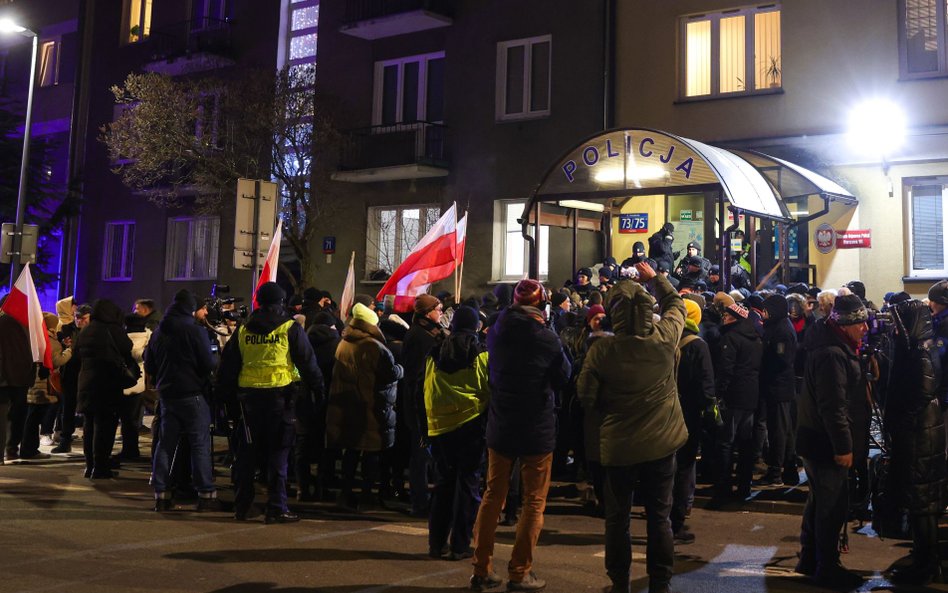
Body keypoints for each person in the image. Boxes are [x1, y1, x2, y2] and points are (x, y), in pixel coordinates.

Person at [578, 261, 687, 593]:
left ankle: (620, 582)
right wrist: (657, 280)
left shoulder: (602, 350)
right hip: (662, 444)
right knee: (659, 517)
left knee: (617, 518)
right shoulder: (665, 338)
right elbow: (677, 305)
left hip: (619, 446)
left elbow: (586, 397)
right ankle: (660, 583)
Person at [470, 279, 571, 592]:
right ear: (542, 305)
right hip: (536, 428)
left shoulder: (498, 330)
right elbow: (564, 375)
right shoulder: (546, 338)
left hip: (501, 424)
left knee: (492, 496)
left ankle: (481, 568)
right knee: (533, 502)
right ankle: (519, 571)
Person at [218, 282, 324, 523]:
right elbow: (308, 363)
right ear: (281, 302)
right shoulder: (290, 328)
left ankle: (243, 506)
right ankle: (277, 507)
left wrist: (225, 399)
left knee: (246, 454)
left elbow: (228, 366)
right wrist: (318, 390)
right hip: (280, 399)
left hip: (248, 402)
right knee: (278, 454)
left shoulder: (244, 329)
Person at [795, 294, 869, 590]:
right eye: (860, 323)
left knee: (818, 502)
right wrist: (844, 447)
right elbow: (834, 405)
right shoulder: (833, 354)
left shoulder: (833, 346)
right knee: (832, 507)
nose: (865, 328)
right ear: (846, 325)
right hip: (825, 444)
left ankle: (810, 559)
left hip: (814, 439)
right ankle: (826, 567)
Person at [883, 298, 946, 586]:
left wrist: (902, 422)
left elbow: (922, 391)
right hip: (924, 430)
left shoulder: (920, 351)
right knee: (923, 501)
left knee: (923, 501)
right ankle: (924, 557)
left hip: (922, 433)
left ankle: (926, 564)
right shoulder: (922, 346)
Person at [424, 306, 490, 561]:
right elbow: (488, 388)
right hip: (471, 425)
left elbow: (427, 389)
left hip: (440, 427)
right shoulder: (482, 353)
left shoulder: (435, 352)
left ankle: (436, 543)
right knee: (468, 486)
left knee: (442, 486)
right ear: (475, 326)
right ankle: (460, 545)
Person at [146, 290, 219, 512]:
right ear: (191, 308)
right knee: (199, 444)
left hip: (167, 395)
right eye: (203, 308)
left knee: (166, 444)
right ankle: (206, 494)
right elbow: (208, 364)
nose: (205, 312)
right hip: (192, 394)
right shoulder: (195, 331)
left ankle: (162, 494)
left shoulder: (159, 331)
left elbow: (150, 365)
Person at [326, 302, 403, 511]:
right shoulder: (373, 346)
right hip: (370, 405)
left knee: (351, 451)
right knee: (371, 453)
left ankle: (345, 494)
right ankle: (367, 497)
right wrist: (400, 368)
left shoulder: (344, 341)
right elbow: (389, 373)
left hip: (347, 404)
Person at [76, 299, 140, 479]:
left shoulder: (86, 330)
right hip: (107, 384)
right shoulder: (112, 329)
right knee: (105, 427)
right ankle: (101, 467)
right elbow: (127, 348)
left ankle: (89, 466)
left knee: (89, 428)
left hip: (86, 383)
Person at [671, 298, 715, 544]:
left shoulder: (665, 337)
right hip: (689, 413)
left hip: (665, 410)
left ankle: (662, 517)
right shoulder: (698, 345)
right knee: (685, 465)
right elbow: (706, 384)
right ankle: (676, 521)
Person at [710, 302, 762, 506]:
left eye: (726, 315)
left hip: (734, 396)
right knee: (746, 442)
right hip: (751, 395)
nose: (723, 317)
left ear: (733, 317)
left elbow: (726, 369)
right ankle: (744, 485)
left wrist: (718, 393)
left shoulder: (730, 338)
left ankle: (723, 488)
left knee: (725, 442)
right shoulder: (756, 337)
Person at [402, 294, 445, 517]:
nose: (442, 313)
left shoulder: (430, 332)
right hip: (421, 402)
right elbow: (418, 375)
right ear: (428, 312)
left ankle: (426, 499)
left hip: (427, 400)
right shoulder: (421, 336)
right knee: (421, 454)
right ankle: (420, 503)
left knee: (428, 454)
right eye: (439, 309)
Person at [755, 295, 798, 486]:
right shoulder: (779, 326)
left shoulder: (781, 330)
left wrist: (764, 364)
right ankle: (789, 470)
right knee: (784, 430)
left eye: (766, 310)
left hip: (778, 387)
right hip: (778, 386)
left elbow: (781, 359)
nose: (763, 314)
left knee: (778, 430)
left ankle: (776, 473)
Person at [0, 303, 39, 464]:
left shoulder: (4, 322)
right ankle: (11, 450)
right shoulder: (28, 325)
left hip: (3, 378)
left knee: (2, 416)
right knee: (17, 416)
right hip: (20, 378)